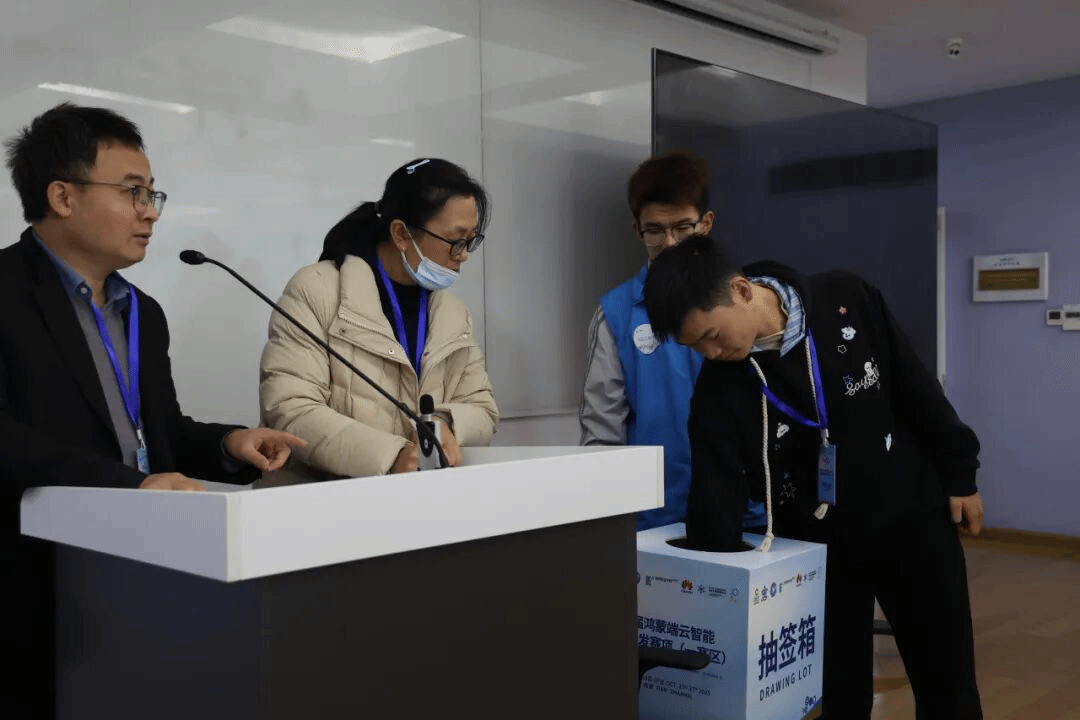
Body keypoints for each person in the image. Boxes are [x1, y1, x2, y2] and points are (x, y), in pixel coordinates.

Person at [1, 103, 306, 719]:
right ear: (63, 196)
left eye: (152, 193)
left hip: (144, 571)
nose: (151, 211)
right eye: (132, 192)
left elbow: (157, 435)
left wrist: (227, 445)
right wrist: (130, 485)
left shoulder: (143, 311)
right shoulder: (5, 291)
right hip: (32, 583)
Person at [641, 234, 983, 719]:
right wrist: (712, 585)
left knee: (948, 681)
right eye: (694, 346)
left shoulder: (846, 299)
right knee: (839, 698)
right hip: (820, 552)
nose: (710, 353)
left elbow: (915, 386)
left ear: (741, 290)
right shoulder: (719, 389)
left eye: (711, 335)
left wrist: (960, 472)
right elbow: (716, 494)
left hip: (913, 520)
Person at [260, 158, 498, 479]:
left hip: (421, 498)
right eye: (455, 240)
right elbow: (291, 409)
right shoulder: (317, 290)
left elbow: (483, 408)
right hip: (325, 497)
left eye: (471, 240)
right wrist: (390, 456)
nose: (464, 254)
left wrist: (445, 423)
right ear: (401, 233)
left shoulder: (453, 313)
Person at [579, 151, 763, 530]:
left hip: (747, 516)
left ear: (706, 223)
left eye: (682, 227)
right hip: (656, 522)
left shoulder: (742, 300)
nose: (670, 243)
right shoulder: (616, 314)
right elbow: (602, 437)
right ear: (637, 230)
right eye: (655, 230)